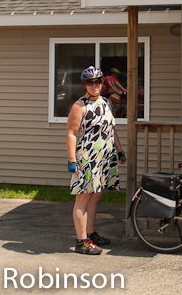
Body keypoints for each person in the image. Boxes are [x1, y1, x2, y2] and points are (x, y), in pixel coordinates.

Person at [66, 66, 127, 255]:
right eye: (90, 82)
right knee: (83, 198)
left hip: (104, 157)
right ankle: (81, 241)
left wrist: (120, 150)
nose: (94, 85)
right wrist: (72, 159)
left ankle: (90, 233)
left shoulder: (106, 103)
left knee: (97, 194)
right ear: (84, 85)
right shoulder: (79, 106)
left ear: (102, 83)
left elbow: (111, 128)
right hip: (87, 158)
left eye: (98, 81)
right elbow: (71, 133)